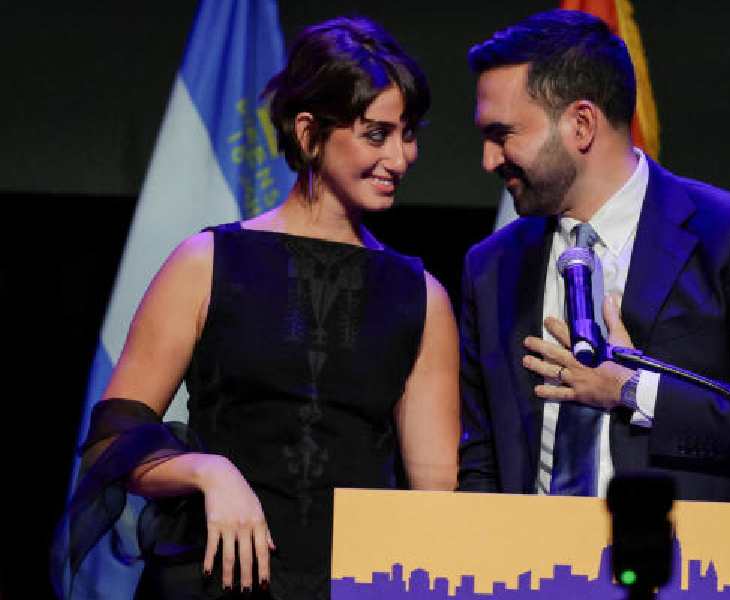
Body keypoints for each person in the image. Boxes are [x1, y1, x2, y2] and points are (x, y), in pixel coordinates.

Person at [54, 16, 459, 600]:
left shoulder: (420, 295)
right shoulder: (206, 262)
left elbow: (435, 500)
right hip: (212, 581)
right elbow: (110, 443)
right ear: (308, 132)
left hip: (349, 587)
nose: (400, 157)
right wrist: (207, 470)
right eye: (377, 134)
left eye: (409, 133)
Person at [457, 9, 730, 595]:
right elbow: (483, 454)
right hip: (536, 579)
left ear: (581, 124)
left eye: (502, 135)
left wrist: (633, 390)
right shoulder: (491, 266)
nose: (489, 161)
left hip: (699, 578)